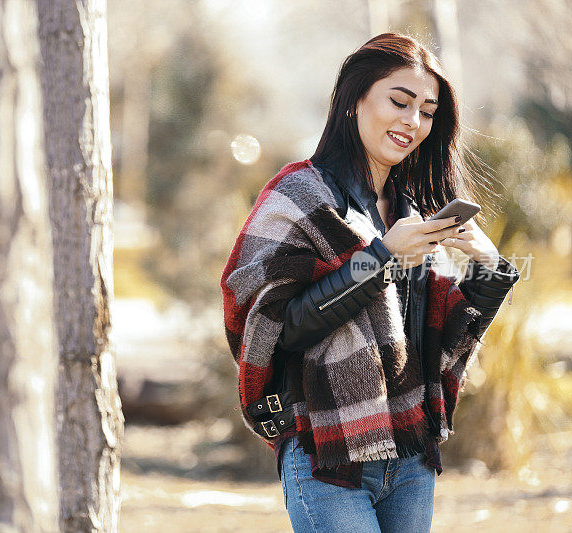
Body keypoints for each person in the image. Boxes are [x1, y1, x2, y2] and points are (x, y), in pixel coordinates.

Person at [220, 32, 520, 533]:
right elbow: (277, 327)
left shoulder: (413, 213)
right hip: (327, 454)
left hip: (409, 456)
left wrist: (488, 267)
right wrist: (381, 256)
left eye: (427, 111)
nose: (413, 122)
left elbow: (440, 339)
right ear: (354, 101)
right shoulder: (300, 195)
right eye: (399, 102)